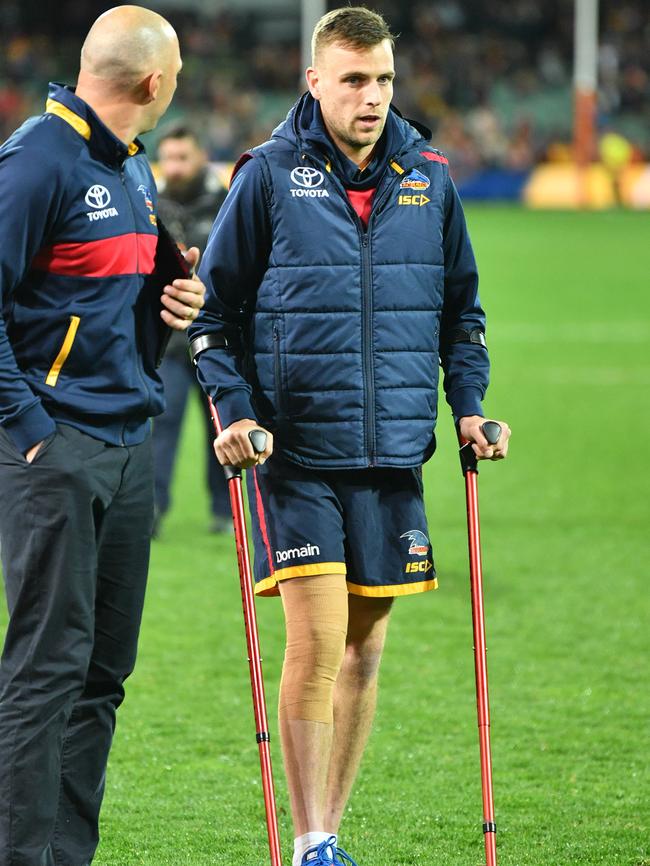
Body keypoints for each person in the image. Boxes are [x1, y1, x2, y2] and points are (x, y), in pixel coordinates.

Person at [190, 7, 511, 865]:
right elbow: (213, 319)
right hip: (293, 453)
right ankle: (312, 839)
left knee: (366, 654)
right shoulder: (265, 175)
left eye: (384, 81)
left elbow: (462, 317)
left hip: (396, 452)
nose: (372, 98)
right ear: (316, 82)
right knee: (320, 640)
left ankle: (328, 832)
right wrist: (237, 415)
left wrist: (470, 408)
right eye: (355, 81)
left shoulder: (429, 178)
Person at [0, 7, 205, 865]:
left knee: (100, 678)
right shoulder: (34, 162)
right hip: (58, 454)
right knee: (47, 672)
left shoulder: (128, 165)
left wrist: (173, 298)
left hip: (127, 450)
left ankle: (64, 854)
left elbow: (112, 299)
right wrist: (32, 429)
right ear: (155, 83)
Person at [152, 124, 230, 535]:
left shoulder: (229, 203)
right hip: (168, 340)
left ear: (201, 156)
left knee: (221, 426)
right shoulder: (152, 206)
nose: (174, 167)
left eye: (182, 157)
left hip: (218, 339)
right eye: (167, 158)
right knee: (161, 424)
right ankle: (152, 510)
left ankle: (226, 511)